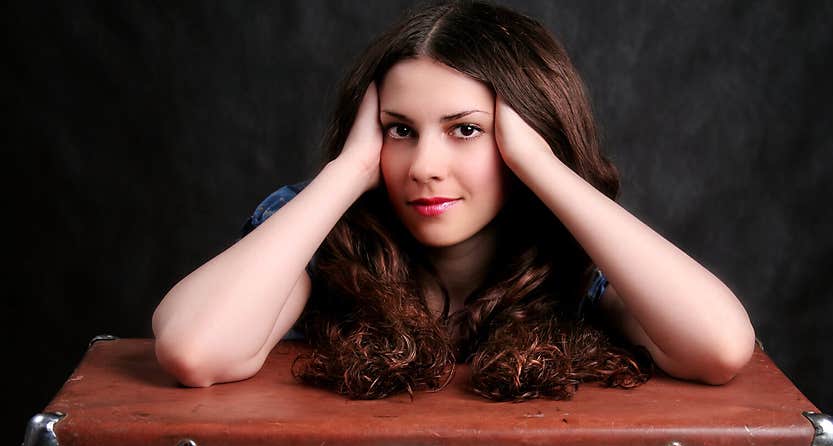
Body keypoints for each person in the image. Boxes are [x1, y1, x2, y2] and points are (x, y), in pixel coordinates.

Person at [152, 0, 756, 401]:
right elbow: (194, 349)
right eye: (399, 129)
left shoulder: (575, 256)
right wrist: (347, 171)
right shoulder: (325, 238)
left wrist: (542, 167)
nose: (424, 168)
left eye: (466, 130)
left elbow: (721, 348)